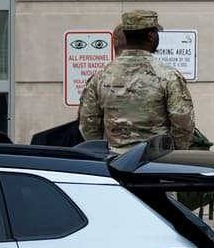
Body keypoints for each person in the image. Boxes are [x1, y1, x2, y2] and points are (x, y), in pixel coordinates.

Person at [78, 9, 195, 152]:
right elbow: (183, 124)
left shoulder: (100, 77)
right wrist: (174, 154)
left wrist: (104, 153)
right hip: (155, 163)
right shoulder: (168, 77)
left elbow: (88, 125)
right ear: (151, 36)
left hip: (113, 164)